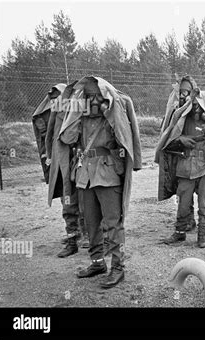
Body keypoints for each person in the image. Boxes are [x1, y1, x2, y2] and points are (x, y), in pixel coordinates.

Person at [59, 76, 142, 289]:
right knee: (90, 223)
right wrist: (77, 111)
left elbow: (126, 137)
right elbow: (67, 139)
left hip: (108, 174)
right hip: (84, 175)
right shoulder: (80, 117)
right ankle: (97, 263)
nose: (94, 101)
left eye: (98, 96)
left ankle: (118, 268)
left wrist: (109, 111)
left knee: (113, 224)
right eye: (89, 97)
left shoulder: (114, 114)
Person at [156, 86, 205, 248]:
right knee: (183, 203)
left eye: (199, 105)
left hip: (204, 168)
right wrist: (181, 139)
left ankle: (203, 234)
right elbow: (169, 141)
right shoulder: (182, 120)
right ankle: (180, 232)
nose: (196, 108)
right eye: (193, 105)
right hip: (185, 167)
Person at [33, 83, 88, 257]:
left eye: (58, 96)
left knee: (86, 202)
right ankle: (72, 239)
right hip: (63, 165)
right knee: (68, 202)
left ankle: (87, 235)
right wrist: (49, 157)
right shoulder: (55, 112)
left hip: (80, 163)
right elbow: (48, 136)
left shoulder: (81, 108)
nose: (55, 100)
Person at [162, 76, 205, 235]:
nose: (183, 96)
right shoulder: (176, 115)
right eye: (180, 92)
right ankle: (187, 222)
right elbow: (166, 140)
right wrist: (180, 139)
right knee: (183, 196)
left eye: (187, 92)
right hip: (184, 162)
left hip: (204, 164)